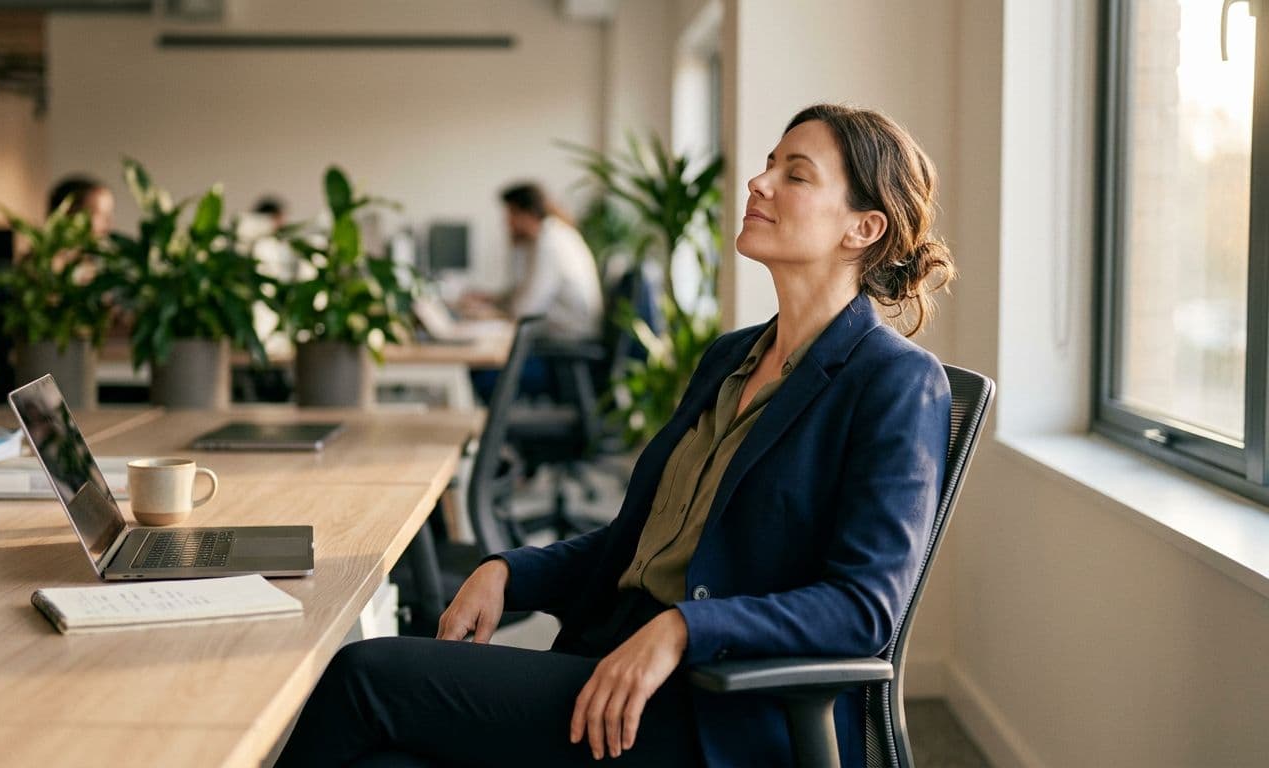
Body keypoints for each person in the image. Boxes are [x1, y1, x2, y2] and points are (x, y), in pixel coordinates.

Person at [275, 103, 957, 768]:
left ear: (863, 228)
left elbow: (863, 607)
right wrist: (509, 569)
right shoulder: (731, 357)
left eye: (796, 174)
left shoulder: (894, 382)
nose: (759, 182)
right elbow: (638, 543)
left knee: (365, 677)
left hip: (711, 709)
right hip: (613, 655)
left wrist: (686, 629)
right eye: (768, 164)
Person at [463, 182, 604, 399]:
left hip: (564, 356)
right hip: (558, 348)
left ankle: (502, 431)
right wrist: (493, 299)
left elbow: (523, 309)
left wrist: (488, 313)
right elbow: (521, 292)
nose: (506, 223)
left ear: (525, 213)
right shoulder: (550, 236)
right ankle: (499, 430)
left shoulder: (551, 243)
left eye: (510, 215)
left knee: (483, 371)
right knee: (480, 366)